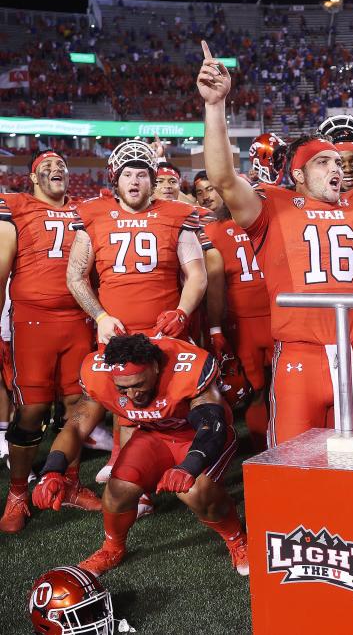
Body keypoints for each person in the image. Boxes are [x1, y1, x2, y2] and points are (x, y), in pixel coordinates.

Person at [197, 40, 353, 444]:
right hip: (298, 355)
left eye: (339, 162)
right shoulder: (275, 206)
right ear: (299, 174)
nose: (336, 168)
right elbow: (223, 178)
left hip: (352, 354)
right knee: (292, 467)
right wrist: (215, 107)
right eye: (324, 162)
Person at [31, 334, 247, 577]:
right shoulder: (99, 374)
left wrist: (190, 465)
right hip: (155, 434)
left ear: (155, 367)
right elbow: (76, 426)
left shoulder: (185, 367)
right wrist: (52, 469)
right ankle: (112, 548)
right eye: (123, 388)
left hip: (198, 436)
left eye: (138, 384)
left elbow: (212, 424)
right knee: (117, 490)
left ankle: (237, 540)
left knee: (195, 491)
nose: (133, 395)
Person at [67, 139, 208, 494]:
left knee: (175, 399)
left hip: (164, 331)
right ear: (115, 179)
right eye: (128, 174)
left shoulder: (176, 213)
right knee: (126, 405)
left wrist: (182, 310)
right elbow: (75, 276)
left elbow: (197, 275)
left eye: (142, 175)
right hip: (117, 330)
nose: (135, 181)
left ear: (152, 179)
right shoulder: (93, 212)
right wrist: (99, 316)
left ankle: (182, 465)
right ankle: (136, 481)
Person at [0, 150, 100, 533]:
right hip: (33, 318)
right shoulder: (18, 208)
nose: (56, 169)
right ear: (32, 178)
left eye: (61, 166)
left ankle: (70, 482)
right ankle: (17, 494)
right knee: (32, 408)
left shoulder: (83, 209)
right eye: (47, 167)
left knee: (79, 402)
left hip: (78, 318)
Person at [194, 173, 272, 449]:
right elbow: (214, 287)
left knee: (265, 390)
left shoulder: (263, 219)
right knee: (257, 390)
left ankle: (271, 447)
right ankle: (265, 449)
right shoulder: (216, 229)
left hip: (267, 317)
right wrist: (215, 327)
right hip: (250, 319)